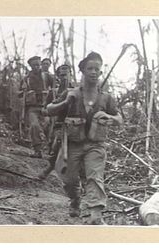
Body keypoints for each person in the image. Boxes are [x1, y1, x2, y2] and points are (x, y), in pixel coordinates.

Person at [46, 52, 123, 225]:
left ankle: (96, 214)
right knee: (69, 179)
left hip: (96, 145)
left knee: (94, 176)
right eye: (90, 68)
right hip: (72, 145)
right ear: (82, 70)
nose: (94, 72)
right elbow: (49, 109)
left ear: (101, 72)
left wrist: (109, 117)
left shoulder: (106, 97)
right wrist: (65, 103)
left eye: (97, 69)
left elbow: (120, 120)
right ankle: (75, 199)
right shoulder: (71, 93)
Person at [38, 64, 74, 179]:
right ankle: (50, 168)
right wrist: (53, 110)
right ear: (58, 76)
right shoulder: (53, 92)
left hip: (75, 126)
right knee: (55, 149)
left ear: (71, 74)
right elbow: (44, 109)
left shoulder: (76, 90)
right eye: (62, 75)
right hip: (58, 124)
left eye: (66, 74)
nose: (64, 77)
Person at [19, 56, 53, 158]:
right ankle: (37, 150)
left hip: (45, 106)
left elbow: (56, 87)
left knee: (48, 126)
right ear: (30, 66)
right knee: (34, 126)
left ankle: (50, 150)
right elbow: (19, 93)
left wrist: (50, 93)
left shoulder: (47, 76)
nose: (37, 67)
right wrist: (25, 91)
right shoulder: (26, 78)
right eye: (34, 65)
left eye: (38, 64)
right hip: (32, 108)